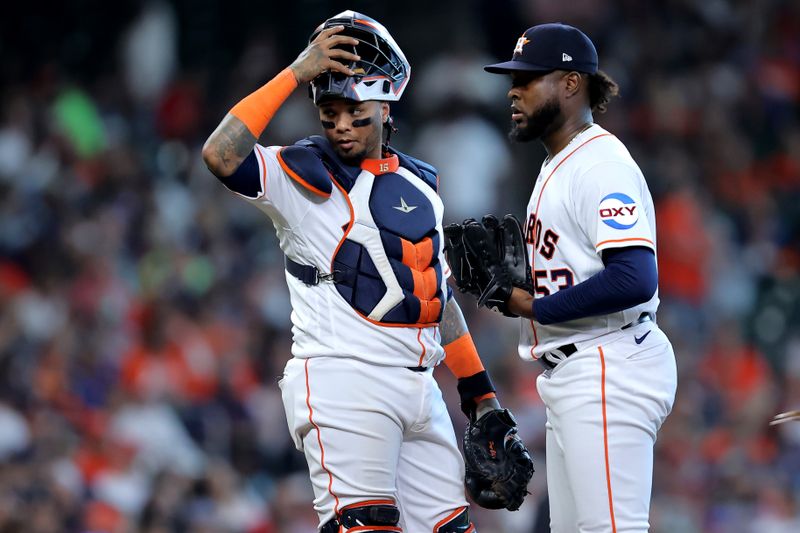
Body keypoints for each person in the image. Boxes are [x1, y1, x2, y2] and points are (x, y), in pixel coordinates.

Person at [202, 11, 531, 533]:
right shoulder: (301, 175)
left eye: (352, 109)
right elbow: (221, 154)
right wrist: (296, 72)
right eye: (328, 109)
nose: (338, 123)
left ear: (385, 105)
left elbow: (435, 297)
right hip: (344, 378)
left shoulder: (421, 186)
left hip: (420, 388)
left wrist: (481, 395)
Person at [462, 23, 678, 532]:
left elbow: (634, 277)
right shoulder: (561, 161)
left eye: (530, 78)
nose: (514, 90)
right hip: (578, 367)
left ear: (571, 83)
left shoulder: (599, 165)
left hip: (608, 364)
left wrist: (530, 305)